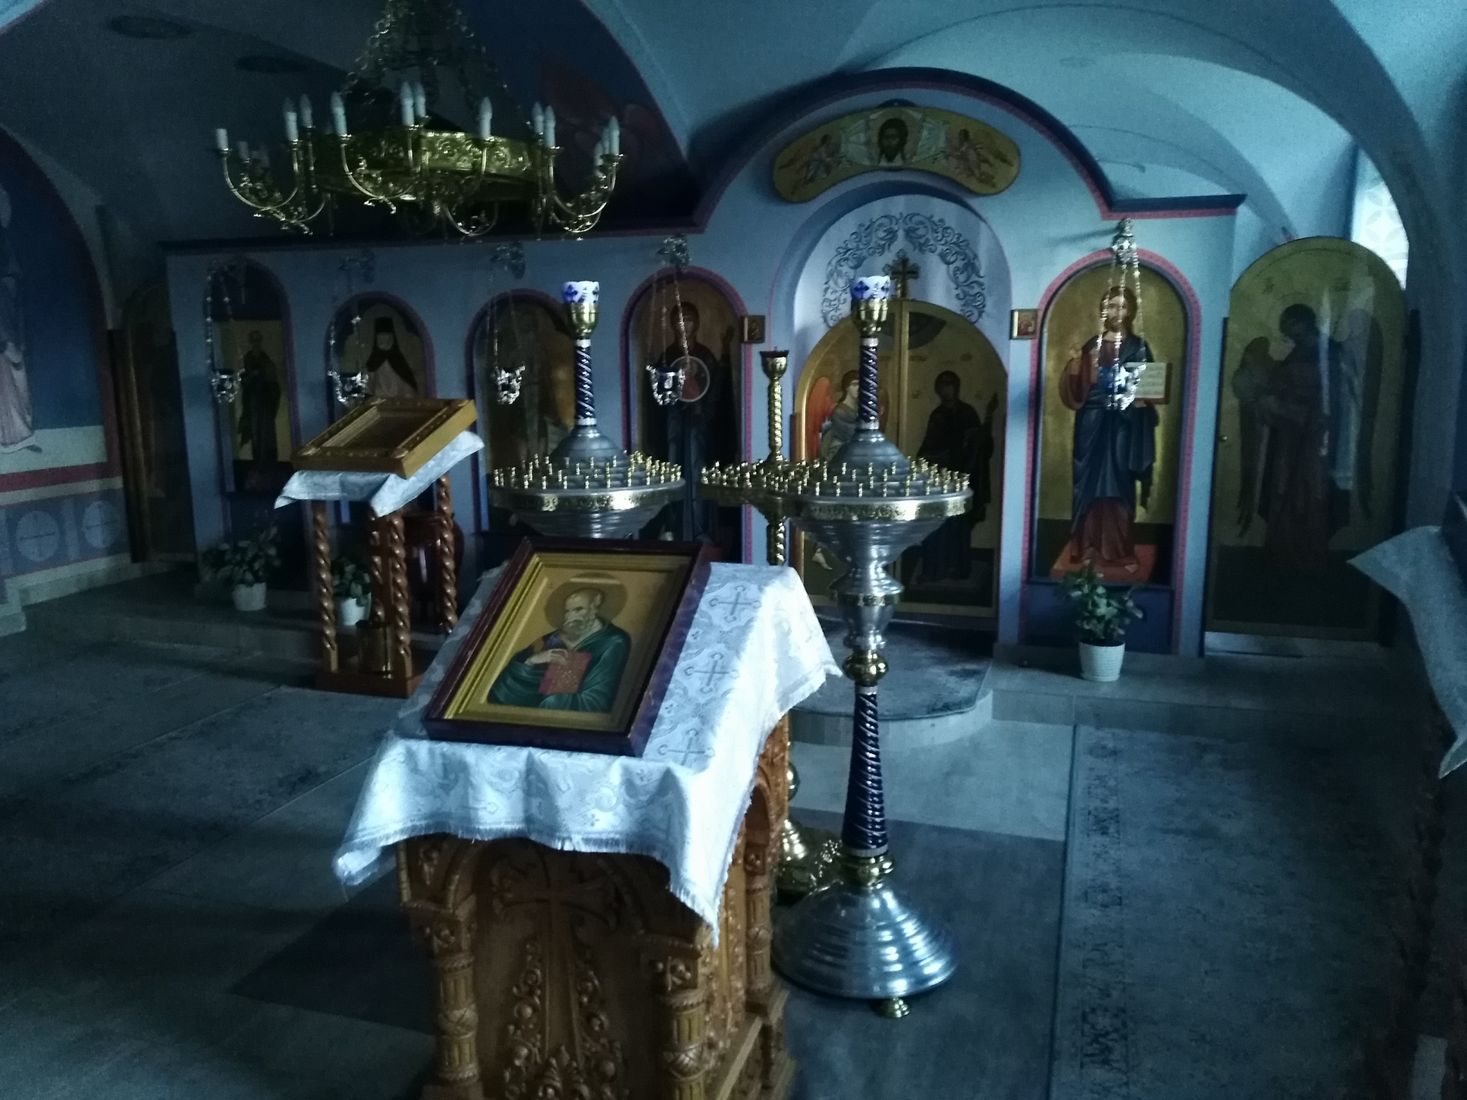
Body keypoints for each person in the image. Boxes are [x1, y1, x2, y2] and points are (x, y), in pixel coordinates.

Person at [1056, 286, 1159, 577]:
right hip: (1092, 425)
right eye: (1111, 306)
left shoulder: (1138, 347)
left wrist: (1141, 398)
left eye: (1122, 307)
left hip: (1123, 426)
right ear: (1104, 311)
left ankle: (1120, 551)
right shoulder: (1092, 345)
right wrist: (1074, 366)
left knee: (1119, 486)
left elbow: (1149, 389)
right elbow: (1076, 389)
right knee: (1090, 486)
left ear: (1131, 312)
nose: (1117, 312)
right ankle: (1088, 548)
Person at [645, 299, 735, 543]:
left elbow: (715, 389)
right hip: (674, 424)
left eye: (689, 319)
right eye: (679, 320)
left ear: (697, 323)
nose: (684, 324)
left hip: (699, 425)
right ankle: (674, 527)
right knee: (675, 467)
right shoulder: (668, 356)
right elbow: (661, 395)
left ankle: (700, 529)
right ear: (672, 325)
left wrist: (701, 409)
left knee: (697, 469)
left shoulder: (704, 355)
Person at [1254, 304, 1338, 566]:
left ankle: (1311, 550)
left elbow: (1328, 400)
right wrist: (1269, 399)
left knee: (1311, 489)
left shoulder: (1329, 352)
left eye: (1290, 324)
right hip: (1289, 434)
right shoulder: (1298, 352)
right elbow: (1281, 383)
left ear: (1304, 322)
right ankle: (1283, 548)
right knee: (1284, 487)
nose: (1286, 331)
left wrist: (1283, 406)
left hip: (1314, 436)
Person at [488, 587, 631, 712]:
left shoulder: (613, 642)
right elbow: (502, 691)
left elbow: (597, 699)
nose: (571, 616)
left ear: (594, 608)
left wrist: (553, 702)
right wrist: (531, 662)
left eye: (578, 609)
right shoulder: (552, 639)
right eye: (567, 611)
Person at [914, 371, 997, 582]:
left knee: (960, 526)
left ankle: (960, 569)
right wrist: (929, 460)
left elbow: (981, 446)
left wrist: (986, 423)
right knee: (937, 526)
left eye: (950, 384)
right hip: (942, 480)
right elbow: (929, 448)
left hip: (963, 479)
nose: (947, 389)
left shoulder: (967, 413)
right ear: (938, 389)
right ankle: (935, 570)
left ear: (957, 387)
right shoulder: (937, 416)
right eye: (943, 385)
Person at [0, 183, 36, 455]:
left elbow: (12, 273)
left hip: (8, 322)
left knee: (15, 374)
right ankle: (9, 437)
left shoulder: (3, 240)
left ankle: (21, 435)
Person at [237, 330, 281, 468]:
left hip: (265, 402)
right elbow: (245, 379)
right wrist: (249, 378)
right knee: (255, 433)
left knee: (266, 433)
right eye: (253, 340)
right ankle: (258, 462)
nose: (256, 343)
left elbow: (273, 380)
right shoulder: (248, 358)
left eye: (258, 340)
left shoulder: (266, 359)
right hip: (253, 402)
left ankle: (267, 462)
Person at [363, 315, 419, 397]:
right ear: (377, 338)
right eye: (381, 337)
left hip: (398, 400)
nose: (384, 339)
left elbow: (408, 385)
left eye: (387, 336)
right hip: (379, 400)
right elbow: (367, 387)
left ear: (392, 338)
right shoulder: (373, 361)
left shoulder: (398, 359)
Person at [818, 370, 861, 461]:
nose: (858, 388)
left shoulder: (859, 409)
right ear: (846, 387)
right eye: (854, 385)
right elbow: (847, 434)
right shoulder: (839, 411)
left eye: (860, 385)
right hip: (840, 453)